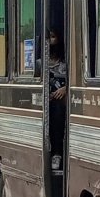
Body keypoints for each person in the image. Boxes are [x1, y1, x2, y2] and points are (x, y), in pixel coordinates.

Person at [38, 29, 67, 169]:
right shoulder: (38, 64)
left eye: (53, 37)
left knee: (58, 111)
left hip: (62, 102)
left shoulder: (66, 63)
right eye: (48, 38)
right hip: (43, 101)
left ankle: (57, 153)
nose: (50, 41)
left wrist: (65, 89)